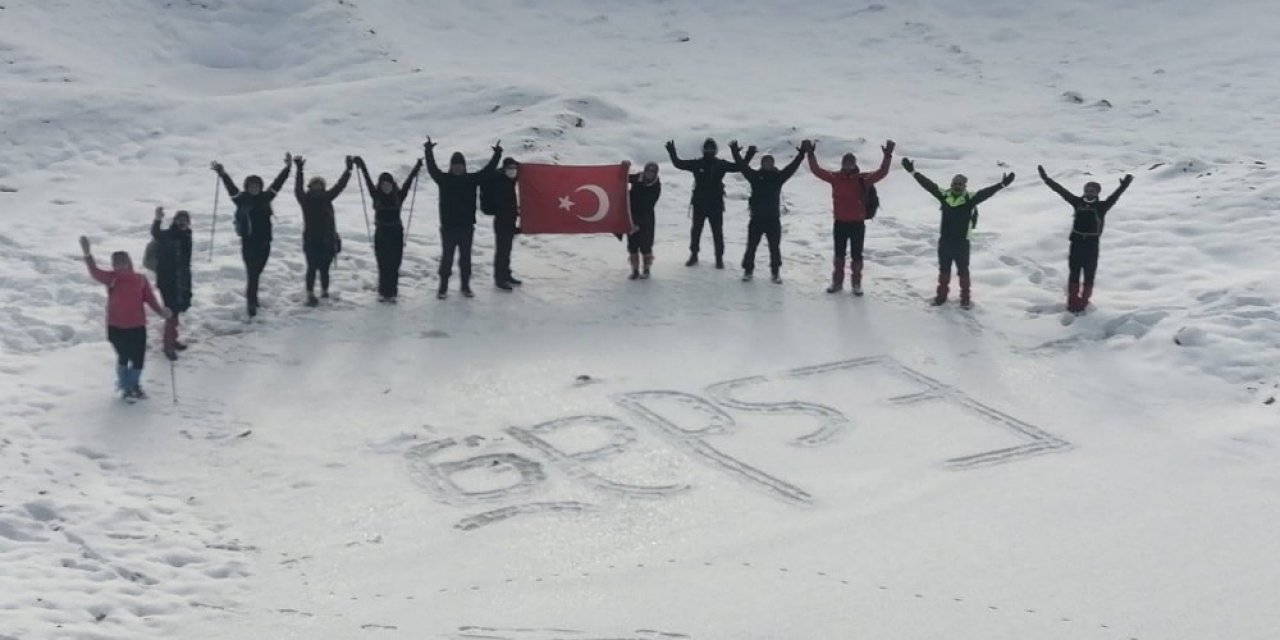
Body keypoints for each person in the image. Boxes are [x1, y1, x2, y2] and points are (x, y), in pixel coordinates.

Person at [901, 158, 1014, 308]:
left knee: (963, 272)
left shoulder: (970, 199)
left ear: (964, 186)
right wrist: (913, 172)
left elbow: (986, 193)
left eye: (960, 185)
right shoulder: (944, 195)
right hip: (945, 241)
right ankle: (941, 297)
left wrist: (1002, 184)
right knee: (944, 271)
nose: (957, 187)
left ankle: (965, 299)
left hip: (961, 243)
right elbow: (928, 185)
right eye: (955, 184)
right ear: (951, 184)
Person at [80, 236, 170, 400]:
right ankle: (125, 384)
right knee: (124, 356)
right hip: (116, 327)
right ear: (114, 265)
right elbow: (94, 272)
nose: (120, 264)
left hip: (137, 326)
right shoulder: (111, 278)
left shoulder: (140, 279)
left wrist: (162, 312)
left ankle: (133, 384)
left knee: (138, 358)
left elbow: (150, 299)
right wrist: (87, 254)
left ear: (129, 262)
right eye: (117, 262)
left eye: (123, 261)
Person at [1038, 166, 1134, 313]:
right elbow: (1060, 191)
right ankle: (1072, 303)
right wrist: (1046, 179)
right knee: (1074, 272)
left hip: (1092, 245)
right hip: (1076, 244)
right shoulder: (1077, 203)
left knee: (1089, 274)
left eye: (1092, 191)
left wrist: (1124, 185)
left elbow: (1115, 196)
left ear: (1097, 193)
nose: (1089, 193)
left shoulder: (1102, 207)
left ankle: (1084, 302)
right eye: (1087, 190)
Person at [807, 139, 895, 295]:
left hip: (857, 224)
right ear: (842, 164)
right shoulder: (835, 178)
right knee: (839, 254)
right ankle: (837, 283)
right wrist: (810, 153)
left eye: (850, 163)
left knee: (856, 255)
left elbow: (882, 172)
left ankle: (856, 284)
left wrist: (888, 156)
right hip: (840, 223)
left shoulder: (863, 179)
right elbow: (816, 170)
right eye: (846, 163)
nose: (848, 166)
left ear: (854, 164)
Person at [211, 154, 292, 318]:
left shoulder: (266, 198)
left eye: (257, 186)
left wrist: (287, 168)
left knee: (257, 272)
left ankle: (253, 299)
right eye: (251, 186)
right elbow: (230, 188)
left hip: (265, 243)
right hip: (248, 244)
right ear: (247, 187)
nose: (254, 188)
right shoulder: (241, 200)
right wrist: (222, 173)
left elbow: (278, 183)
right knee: (252, 274)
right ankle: (251, 303)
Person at [424, 138, 502, 299]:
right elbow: (432, 169)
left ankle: (465, 285)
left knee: (465, 258)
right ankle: (443, 286)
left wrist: (497, 154)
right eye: (455, 165)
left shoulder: (471, 180)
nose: (458, 167)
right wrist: (428, 151)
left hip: (466, 227)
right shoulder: (444, 179)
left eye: (460, 165)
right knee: (447, 257)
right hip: (448, 227)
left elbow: (488, 171)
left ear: (464, 166)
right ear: (451, 166)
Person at [665, 138, 754, 269]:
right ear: (703, 150)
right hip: (699, 203)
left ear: (715, 150)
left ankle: (719, 258)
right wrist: (672, 152)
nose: (709, 151)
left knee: (717, 232)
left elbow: (739, 167)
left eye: (711, 149)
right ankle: (693, 255)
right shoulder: (697, 163)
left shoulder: (721, 164)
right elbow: (678, 164)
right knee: (696, 231)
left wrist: (747, 155)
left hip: (715, 203)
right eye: (707, 148)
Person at [729, 140, 806, 283]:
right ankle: (748, 271)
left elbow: (792, 167)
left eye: (770, 162)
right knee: (751, 246)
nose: (768, 164)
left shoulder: (778, 178)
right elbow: (742, 166)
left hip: (772, 219)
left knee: (774, 248)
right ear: (762, 164)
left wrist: (801, 154)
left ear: (773, 164)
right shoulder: (755, 177)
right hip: (756, 218)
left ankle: (775, 273)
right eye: (765, 162)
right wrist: (735, 152)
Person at [355, 154, 423, 303]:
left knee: (394, 264)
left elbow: (409, 182)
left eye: (388, 184)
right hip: (381, 233)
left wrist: (417, 168)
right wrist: (362, 165)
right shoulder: (376, 195)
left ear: (392, 184)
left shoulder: (399, 195)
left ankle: (392, 292)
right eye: (383, 184)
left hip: (396, 233)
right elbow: (366, 180)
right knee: (383, 263)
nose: (386, 186)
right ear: (380, 185)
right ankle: (383, 291)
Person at [293, 155, 353, 306]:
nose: (317, 188)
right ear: (310, 187)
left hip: (327, 240)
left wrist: (348, 170)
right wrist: (299, 170)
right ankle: (310, 293)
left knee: (325, 269)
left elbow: (340, 186)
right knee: (312, 268)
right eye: (315, 185)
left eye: (320, 185)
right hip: (311, 240)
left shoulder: (327, 197)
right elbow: (297, 189)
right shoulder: (305, 200)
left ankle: (325, 291)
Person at [150, 207, 192, 361]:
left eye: (185, 221)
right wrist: (157, 219)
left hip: (181, 280)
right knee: (171, 313)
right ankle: (168, 345)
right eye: (180, 220)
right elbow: (155, 233)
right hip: (168, 281)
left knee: (177, 310)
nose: (182, 223)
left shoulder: (187, 235)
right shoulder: (167, 235)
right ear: (174, 221)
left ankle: (173, 340)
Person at [480, 157, 522, 290]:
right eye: (510, 168)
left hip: (511, 219)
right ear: (504, 169)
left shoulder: (510, 179)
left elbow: (518, 175)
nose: (513, 171)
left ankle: (506, 274)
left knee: (507, 250)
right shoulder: (498, 181)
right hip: (501, 221)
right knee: (502, 251)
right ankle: (499, 278)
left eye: (514, 168)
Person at [624, 161, 662, 280]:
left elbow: (648, 206)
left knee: (646, 245)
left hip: (646, 218)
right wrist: (624, 167)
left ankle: (646, 269)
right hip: (631, 215)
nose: (649, 174)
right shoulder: (637, 178)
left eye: (652, 172)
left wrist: (638, 224)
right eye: (647, 171)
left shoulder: (656, 187)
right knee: (632, 244)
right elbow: (623, 177)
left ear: (655, 174)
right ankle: (634, 270)